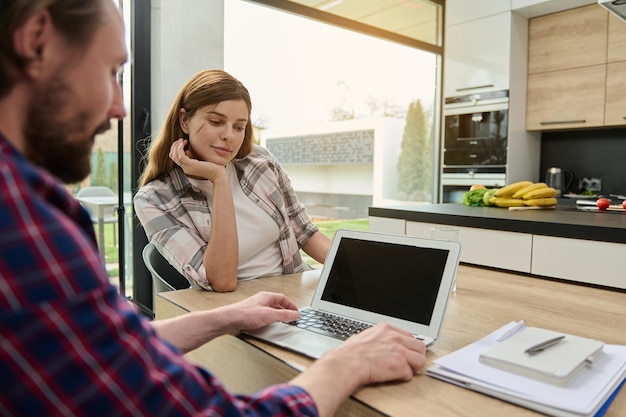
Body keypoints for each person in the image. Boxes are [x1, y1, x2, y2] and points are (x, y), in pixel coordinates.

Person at [0, 1, 427, 416]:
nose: (120, 106)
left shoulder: (259, 162)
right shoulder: (30, 220)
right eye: (111, 72)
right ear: (36, 41)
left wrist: (229, 317)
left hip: (287, 303)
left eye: (239, 126)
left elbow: (102, 347)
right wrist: (348, 361)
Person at [134, 69, 331, 292]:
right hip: (237, 310)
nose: (230, 136)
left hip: (295, 293)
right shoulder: (155, 199)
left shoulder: (260, 161)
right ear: (184, 120)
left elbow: (305, 233)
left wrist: (355, 271)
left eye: (239, 127)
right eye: (216, 122)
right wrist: (219, 180)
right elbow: (221, 280)